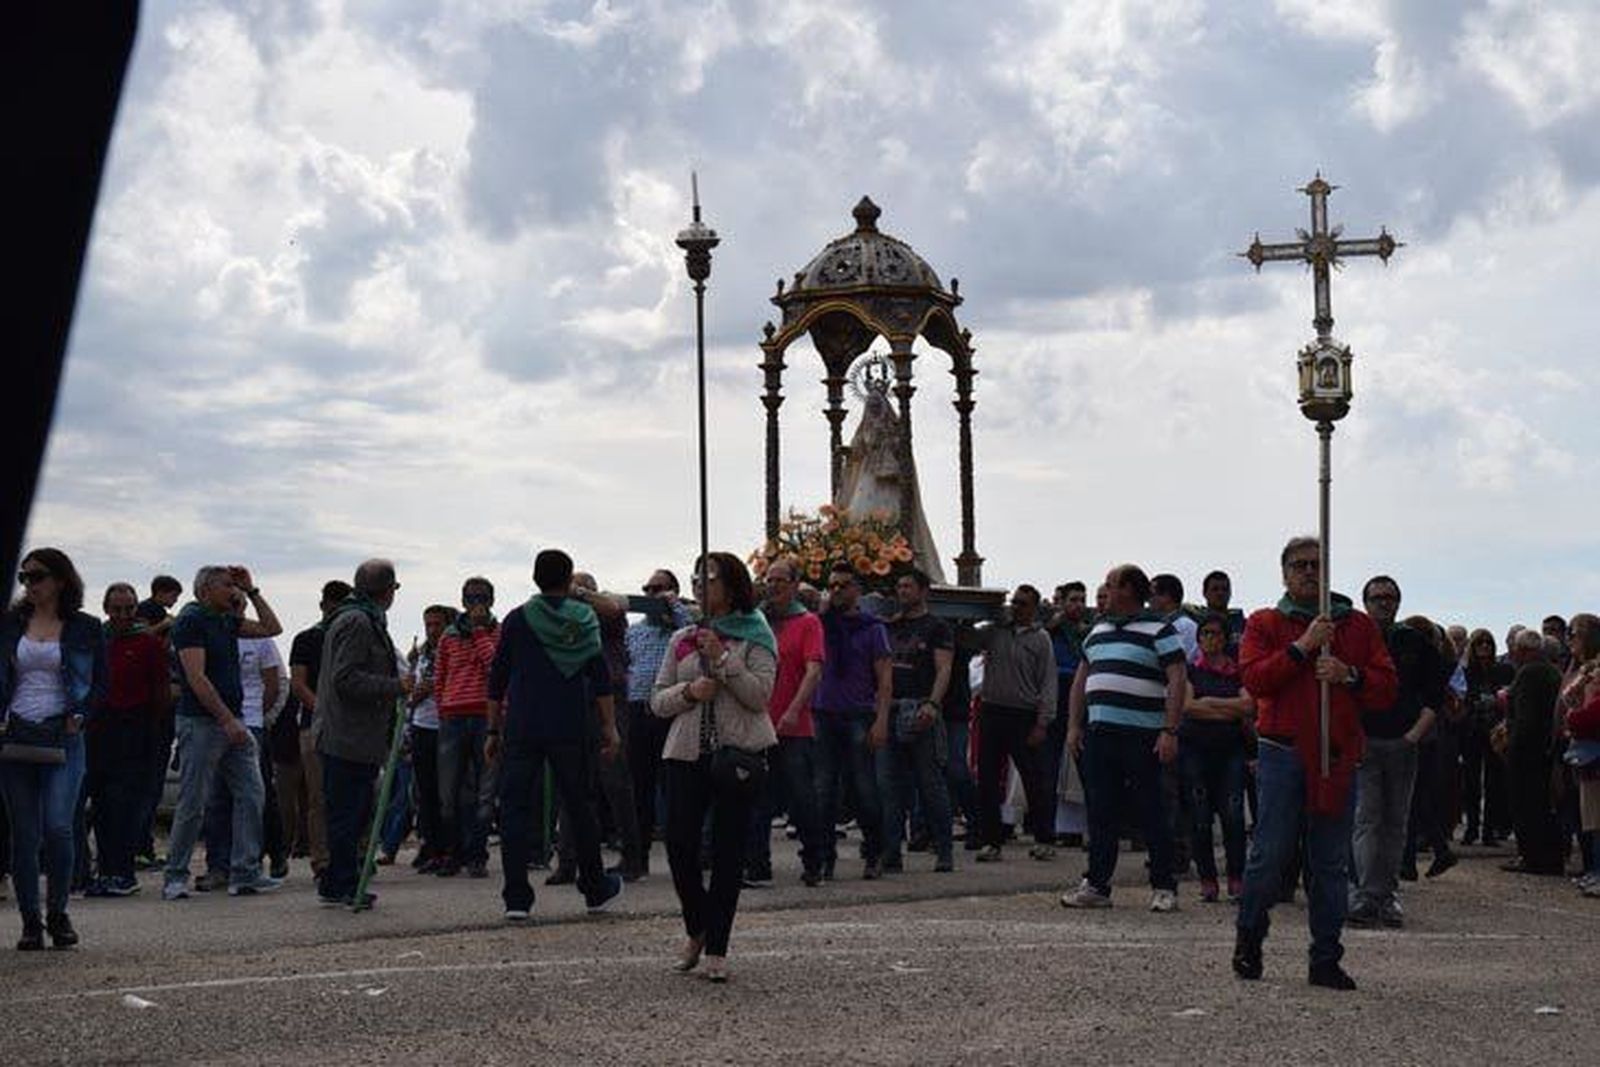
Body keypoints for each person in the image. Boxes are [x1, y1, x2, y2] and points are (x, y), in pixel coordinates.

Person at [1230, 537, 1396, 991]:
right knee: (1270, 853)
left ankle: (1325, 956)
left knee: (1329, 862)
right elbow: (1255, 678)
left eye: (1317, 565)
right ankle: (1250, 936)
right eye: (1299, 565)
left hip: (1336, 754)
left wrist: (1350, 674)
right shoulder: (1265, 622)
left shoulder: (1358, 627)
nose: (1308, 572)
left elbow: (1385, 686)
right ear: (1284, 573)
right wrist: (1302, 648)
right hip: (1283, 751)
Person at [651, 552, 777, 983]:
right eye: (696, 578)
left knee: (728, 852)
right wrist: (691, 691)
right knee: (680, 845)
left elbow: (760, 696)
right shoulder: (683, 637)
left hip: (736, 754)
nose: (701, 585)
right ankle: (698, 926)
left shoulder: (756, 634)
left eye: (711, 578)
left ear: (732, 584)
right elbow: (658, 699)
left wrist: (723, 660)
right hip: (686, 753)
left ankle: (717, 947)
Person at [486, 549, 624, 921]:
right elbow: (600, 680)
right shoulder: (584, 620)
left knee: (514, 809)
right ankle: (595, 888)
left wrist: (492, 729)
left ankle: (516, 898)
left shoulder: (517, 620)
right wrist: (610, 728)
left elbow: (497, 679)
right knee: (580, 806)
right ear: (569, 581)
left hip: (523, 725)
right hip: (570, 724)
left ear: (534, 578)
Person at [1060, 566, 1183, 909]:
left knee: (1152, 809)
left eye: (1111, 585)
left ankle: (1164, 885)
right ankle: (1097, 884)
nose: (1105, 591)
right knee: (1101, 810)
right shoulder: (1097, 631)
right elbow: (1081, 681)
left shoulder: (1160, 629)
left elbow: (1177, 678)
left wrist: (1170, 730)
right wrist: (1073, 725)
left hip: (1144, 734)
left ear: (1129, 590)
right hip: (1101, 734)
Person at [0, 549, 105, 949]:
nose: (29, 584)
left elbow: (100, 685)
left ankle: (58, 913)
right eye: (24, 577)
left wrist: (81, 713)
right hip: (16, 735)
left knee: (59, 827)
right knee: (24, 834)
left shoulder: (86, 627)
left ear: (60, 580)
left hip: (64, 735)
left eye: (38, 576)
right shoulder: (10, 625)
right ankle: (30, 922)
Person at [162, 565, 283, 900]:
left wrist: (253, 591)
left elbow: (273, 628)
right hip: (203, 722)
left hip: (235, 720)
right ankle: (175, 875)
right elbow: (196, 678)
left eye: (235, 585)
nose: (234, 591)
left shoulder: (225, 620)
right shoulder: (191, 621)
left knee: (252, 793)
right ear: (206, 590)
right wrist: (227, 720)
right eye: (228, 585)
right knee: (193, 801)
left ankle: (244, 872)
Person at [1348, 578, 1448, 928]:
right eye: (1377, 598)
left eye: (1390, 598)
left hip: (1402, 742)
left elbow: (1437, 692)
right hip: (1364, 741)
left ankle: (1385, 894)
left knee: (1395, 822)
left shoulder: (1414, 642)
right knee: (1367, 819)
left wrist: (1414, 735)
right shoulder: (1352, 639)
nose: (1383, 604)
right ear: (1365, 602)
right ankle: (1363, 893)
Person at [313, 560, 410, 907]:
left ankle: (342, 880)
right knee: (347, 815)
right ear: (386, 590)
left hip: (358, 737)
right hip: (346, 736)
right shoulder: (357, 621)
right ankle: (340, 884)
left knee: (354, 813)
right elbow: (346, 678)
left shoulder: (362, 618)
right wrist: (395, 686)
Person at [553, 572, 639, 883]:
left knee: (615, 780)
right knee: (570, 782)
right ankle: (567, 862)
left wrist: (582, 593)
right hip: (573, 699)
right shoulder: (564, 618)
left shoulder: (607, 614)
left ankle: (632, 857)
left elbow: (615, 609)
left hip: (609, 699)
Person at [198, 594, 287, 890]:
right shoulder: (209, 633)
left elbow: (273, 685)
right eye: (230, 601)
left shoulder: (260, 640)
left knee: (252, 797)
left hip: (250, 723)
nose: (235, 607)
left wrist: (255, 717)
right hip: (215, 722)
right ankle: (218, 866)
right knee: (216, 798)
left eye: (239, 603)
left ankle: (247, 864)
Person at [86, 582, 169, 897]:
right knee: (102, 804)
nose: (123, 615)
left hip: (135, 728)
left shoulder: (148, 644)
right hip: (99, 729)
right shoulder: (98, 640)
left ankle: (122, 872)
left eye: (129, 609)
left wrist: (150, 729)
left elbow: (161, 691)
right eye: (117, 609)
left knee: (126, 804)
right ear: (106, 608)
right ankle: (105, 870)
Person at [811, 563, 892, 881]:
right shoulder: (820, 625)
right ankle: (824, 857)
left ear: (857, 590)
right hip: (824, 713)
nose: (837, 591)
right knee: (823, 791)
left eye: (844, 585)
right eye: (832, 585)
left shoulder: (872, 628)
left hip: (859, 713)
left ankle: (874, 852)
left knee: (864, 789)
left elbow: (884, 678)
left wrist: (881, 719)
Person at [974, 584, 1059, 863]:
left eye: (1023, 603)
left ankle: (1044, 837)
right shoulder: (995, 632)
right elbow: (967, 639)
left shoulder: (1041, 639)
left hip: (1023, 715)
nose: (1016, 607)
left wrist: (1042, 722)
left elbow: (1048, 682)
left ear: (1034, 608)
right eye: (1014, 602)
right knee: (987, 779)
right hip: (992, 711)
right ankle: (991, 840)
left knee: (1034, 779)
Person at [753, 558, 825, 886]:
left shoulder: (808, 622)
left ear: (796, 584)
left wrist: (795, 709)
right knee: (757, 799)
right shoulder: (758, 621)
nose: (775, 585)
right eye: (770, 579)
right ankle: (757, 864)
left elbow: (813, 670)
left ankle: (814, 859)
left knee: (802, 797)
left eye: (782, 580)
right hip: (758, 724)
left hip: (793, 726)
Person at [881, 569, 955, 874]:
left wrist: (932, 704)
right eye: (899, 586)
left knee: (930, 784)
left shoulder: (936, 627)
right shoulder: (890, 626)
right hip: (892, 708)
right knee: (889, 786)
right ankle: (890, 852)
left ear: (924, 591)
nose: (903, 591)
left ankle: (944, 849)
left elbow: (944, 668)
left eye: (908, 586)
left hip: (920, 708)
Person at [1181, 612, 1253, 902]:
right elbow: (1187, 707)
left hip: (1230, 751)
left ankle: (1237, 877)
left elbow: (1249, 706)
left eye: (1217, 633)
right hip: (1195, 750)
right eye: (1206, 634)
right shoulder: (1190, 671)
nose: (1211, 639)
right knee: (1199, 817)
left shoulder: (1238, 672)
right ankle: (1208, 879)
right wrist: (1226, 709)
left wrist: (1208, 703)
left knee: (1233, 815)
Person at [625, 569, 693, 876]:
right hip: (639, 710)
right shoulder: (635, 631)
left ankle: (684, 855)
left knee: (675, 786)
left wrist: (673, 606)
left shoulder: (681, 626)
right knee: (639, 786)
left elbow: (695, 631)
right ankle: (637, 857)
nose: (652, 595)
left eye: (659, 589)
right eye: (648, 589)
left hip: (671, 710)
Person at [280, 580, 349, 880]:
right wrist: (324, 711)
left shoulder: (353, 636)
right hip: (315, 726)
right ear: (322, 606)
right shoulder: (307, 639)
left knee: (352, 794)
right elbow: (298, 684)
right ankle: (321, 860)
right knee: (319, 796)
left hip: (351, 728)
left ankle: (351, 853)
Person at [433, 577, 500, 879]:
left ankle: (477, 855)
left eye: (482, 597)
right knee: (450, 793)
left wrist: (479, 631)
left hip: (485, 717)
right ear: (462, 601)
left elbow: (496, 668)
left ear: (491, 601)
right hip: (453, 718)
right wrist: (443, 708)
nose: (477, 603)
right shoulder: (448, 636)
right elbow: (440, 678)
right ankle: (453, 853)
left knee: (485, 793)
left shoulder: (498, 632)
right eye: (471, 598)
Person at [1503, 629, 1565, 875]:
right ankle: (1548, 856)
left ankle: (1532, 856)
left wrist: (1512, 748)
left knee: (1527, 805)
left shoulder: (1529, 673)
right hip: (1545, 750)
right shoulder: (1551, 671)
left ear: (1523, 650)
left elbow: (1526, 720)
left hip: (1528, 752)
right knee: (1543, 805)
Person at [132, 574, 182, 870]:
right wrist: (165, 625)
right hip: (153, 712)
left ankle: (143, 846)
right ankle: (140, 847)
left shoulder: (154, 615)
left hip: (159, 711)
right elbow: (143, 641)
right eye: (173, 596)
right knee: (147, 784)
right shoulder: (149, 614)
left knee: (150, 785)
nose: (173, 603)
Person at [404, 604, 453, 872]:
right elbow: (411, 687)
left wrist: (430, 688)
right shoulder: (421, 654)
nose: (432, 630)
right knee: (424, 792)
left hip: (444, 725)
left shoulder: (451, 648)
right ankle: (431, 845)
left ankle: (448, 847)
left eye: (437, 625)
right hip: (422, 724)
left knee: (445, 792)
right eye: (428, 625)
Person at [1459, 629, 1512, 846]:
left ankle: (1489, 829)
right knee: (1471, 782)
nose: (1484, 646)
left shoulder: (1502, 670)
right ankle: (1472, 828)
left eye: (1488, 642)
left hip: (1494, 732)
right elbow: (1462, 698)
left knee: (1494, 782)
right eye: (1479, 643)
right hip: (1472, 731)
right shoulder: (1466, 672)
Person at [1150, 574, 1198, 662]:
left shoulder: (1186, 625)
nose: (1148, 600)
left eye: (1152, 594)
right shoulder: (1155, 624)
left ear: (1166, 596)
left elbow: (1185, 659)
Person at [1200, 571, 1247, 654]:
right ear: (1204, 593)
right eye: (1215, 589)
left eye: (1224, 589)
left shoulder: (1243, 624)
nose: (1220, 593)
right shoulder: (1196, 622)